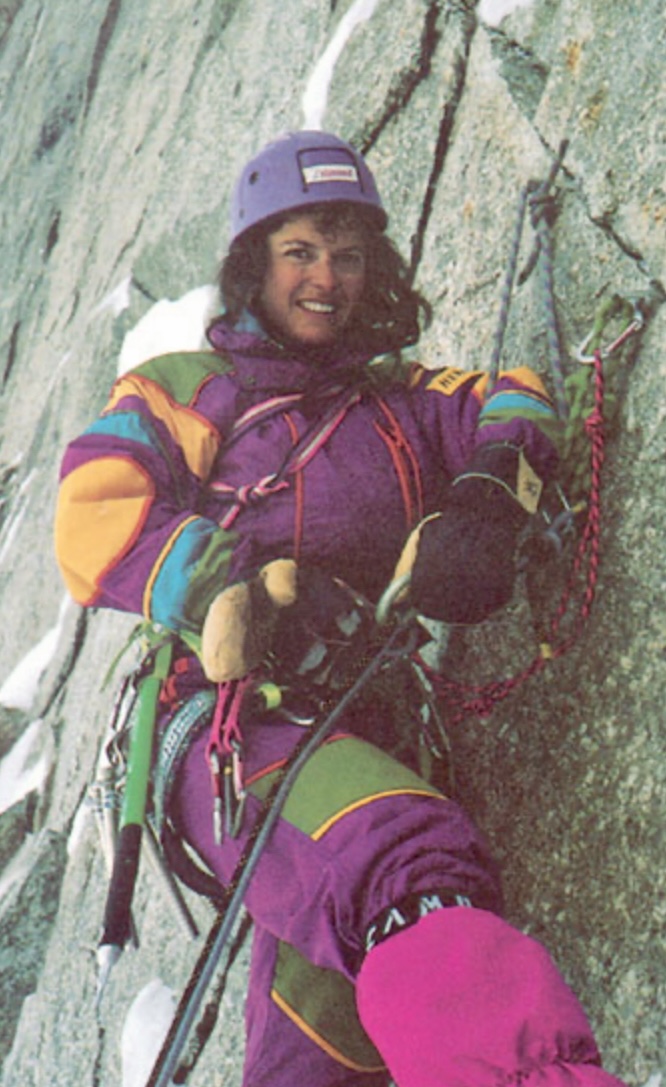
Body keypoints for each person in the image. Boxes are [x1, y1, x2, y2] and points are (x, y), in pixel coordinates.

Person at [55, 131, 626, 1087]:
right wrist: (235, 587)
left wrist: (486, 491)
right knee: (403, 865)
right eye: (301, 251)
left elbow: (517, 401)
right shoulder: (192, 392)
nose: (328, 277)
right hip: (231, 725)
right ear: (253, 263)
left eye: (350, 253)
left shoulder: (400, 403)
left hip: (367, 730)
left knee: (322, 1043)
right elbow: (94, 504)